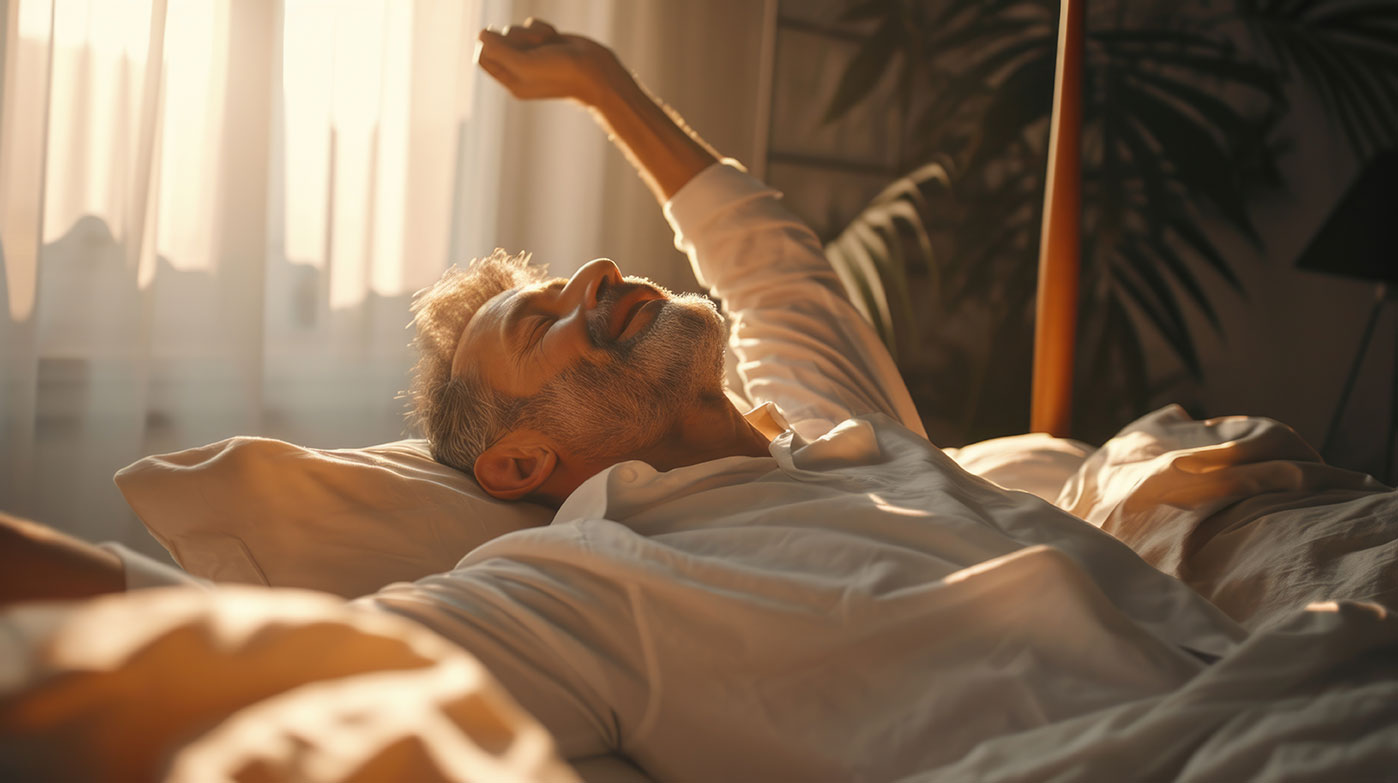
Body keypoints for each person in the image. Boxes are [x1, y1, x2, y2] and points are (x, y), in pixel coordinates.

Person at [2, 19, 1252, 781]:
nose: (596, 274)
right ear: (518, 466)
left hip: (1297, 679)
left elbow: (773, 266)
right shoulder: (588, 579)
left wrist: (605, 87)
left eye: (568, 281)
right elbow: (292, 652)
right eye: (539, 323)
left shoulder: (842, 433)